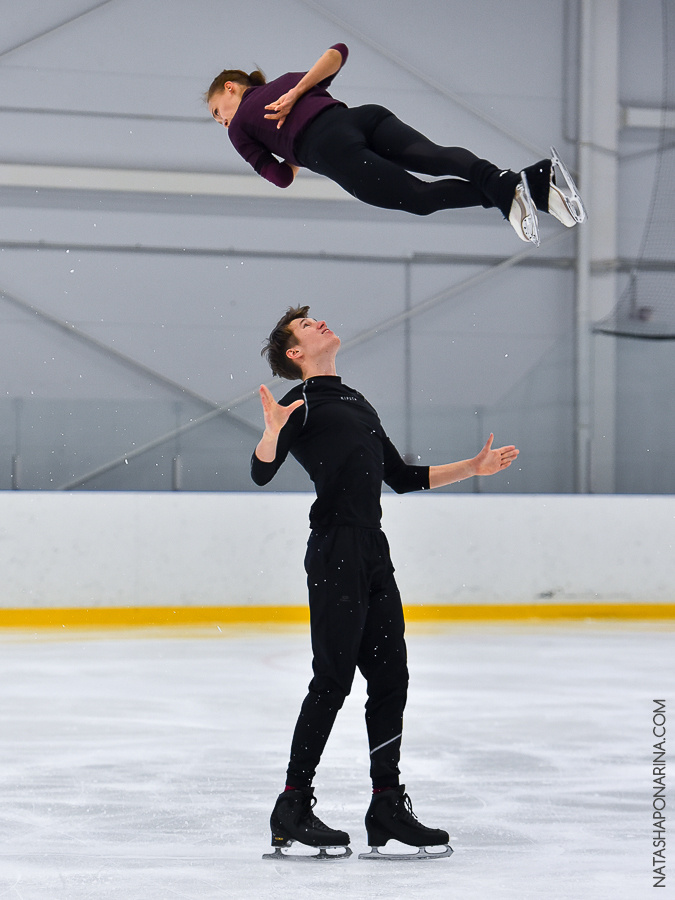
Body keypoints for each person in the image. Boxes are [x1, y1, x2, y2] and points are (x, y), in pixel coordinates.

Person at [251, 305, 520, 860]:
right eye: (307, 327)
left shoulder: (354, 400)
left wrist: (471, 468)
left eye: (316, 319)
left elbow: (400, 477)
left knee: (391, 679)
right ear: (295, 354)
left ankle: (386, 805)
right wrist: (270, 434)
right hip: (335, 551)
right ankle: (292, 805)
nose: (319, 323)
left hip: (373, 550)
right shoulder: (297, 405)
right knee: (332, 680)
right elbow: (261, 470)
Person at [205, 44, 586, 246]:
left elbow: (279, 177)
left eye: (217, 111)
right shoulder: (286, 80)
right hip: (362, 118)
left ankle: (511, 192)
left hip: (333, 152)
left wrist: (286, 147)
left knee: (419, 198)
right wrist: (299, 92)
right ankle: (532, 184)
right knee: (437, 158)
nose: (222, 120)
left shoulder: (238, 128)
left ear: (231, 88)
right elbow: (338, 52)